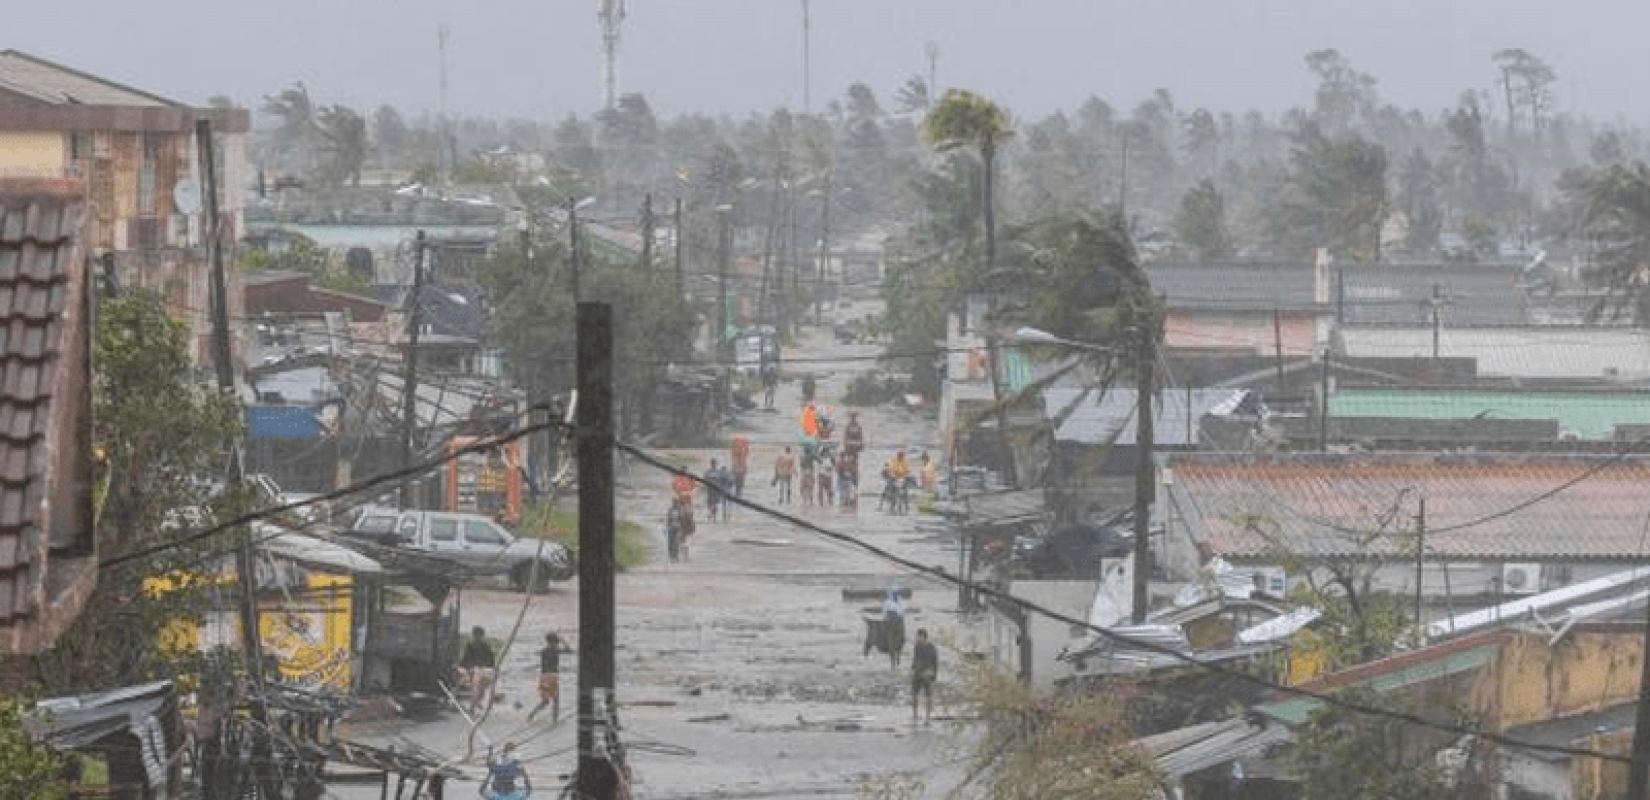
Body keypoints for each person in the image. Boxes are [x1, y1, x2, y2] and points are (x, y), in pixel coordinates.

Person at [529, 632, 573, 723]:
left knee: (545, 701)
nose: (557, 643)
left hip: (543, 677)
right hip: (552, 677)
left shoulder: (543, 651)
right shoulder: (555, 650)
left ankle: (532, 715)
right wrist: (563, 640)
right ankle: (555, 720)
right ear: (554, 642)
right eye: (556, 642)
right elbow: (569, 650)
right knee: (556, 700)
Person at [459, 626, 496, 715]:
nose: (479, 637)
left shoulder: (483, 646)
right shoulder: (472, 645)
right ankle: (475, 706)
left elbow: (491, 659)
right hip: (476, 669)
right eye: (478, 635)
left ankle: (475, 705)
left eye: (480, 635)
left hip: (480, 669)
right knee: (478, 688)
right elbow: (466, 659)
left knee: (479, 688)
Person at [911, 629, 938, 724]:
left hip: (926, 673)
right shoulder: (918, 646)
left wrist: (935, 674)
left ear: (923, 636)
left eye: (919, 636)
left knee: (927, 695)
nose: (917, 638)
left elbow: (935, 661)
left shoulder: (930, 647)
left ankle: (927, 716)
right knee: (915, 694)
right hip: (919, 672)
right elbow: (915, 659)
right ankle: (915, 715)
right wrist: (913, 667)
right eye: (917, 636)